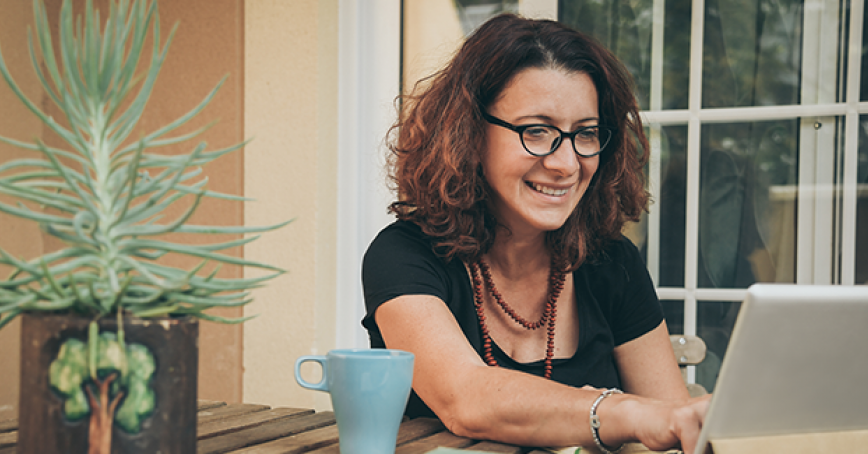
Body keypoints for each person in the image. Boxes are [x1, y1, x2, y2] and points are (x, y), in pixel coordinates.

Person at [361, 13, 709, 453]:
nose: (566, 164)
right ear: (469, 132)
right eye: (537, 131)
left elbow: (676, 427)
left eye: (585, 133)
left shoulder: (612, 261)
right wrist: (623, 412)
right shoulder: (403, 255)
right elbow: (464, 398)